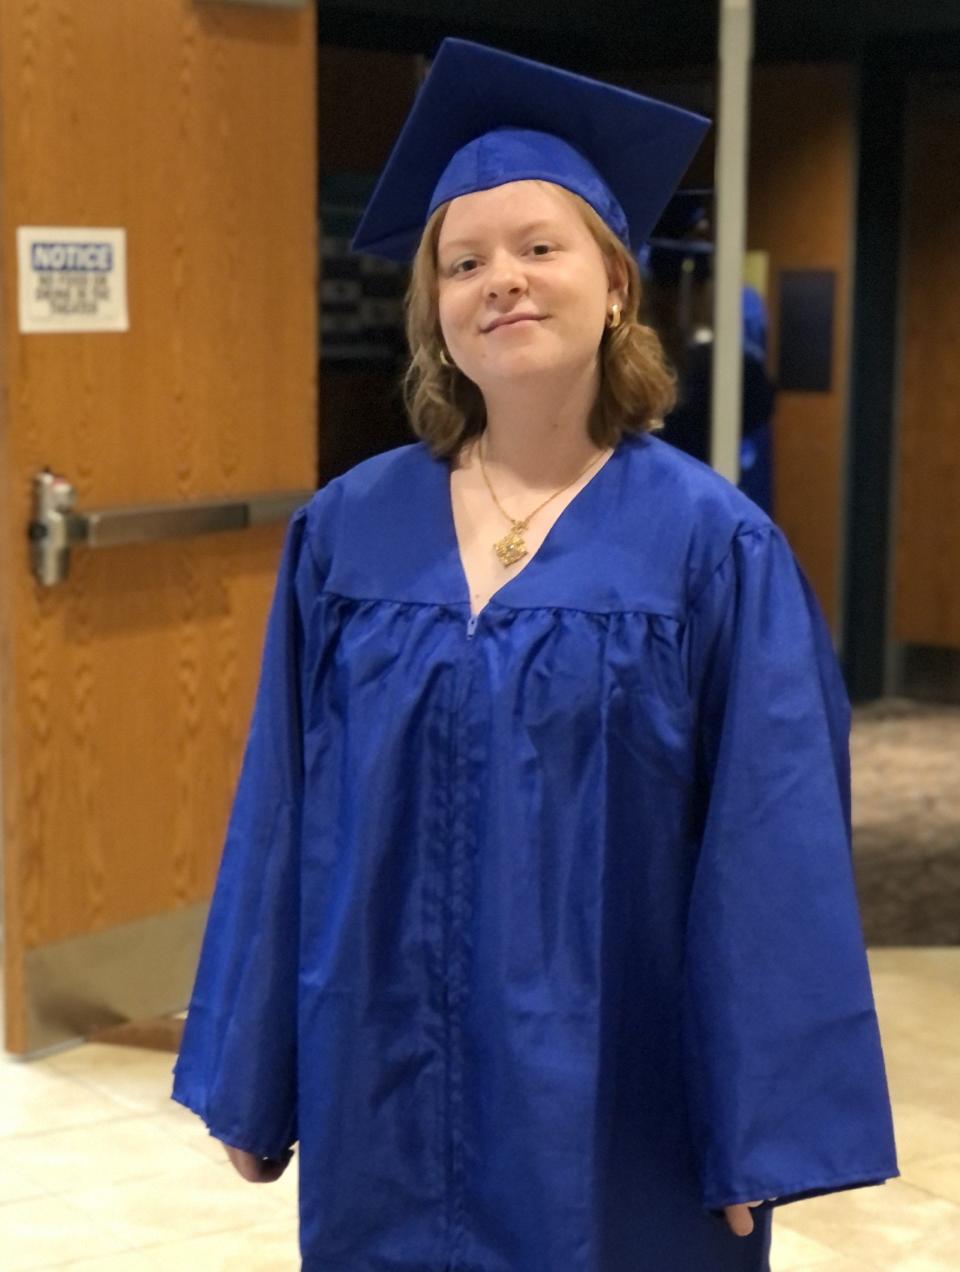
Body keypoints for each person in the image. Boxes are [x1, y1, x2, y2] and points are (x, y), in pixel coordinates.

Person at [171, 37, 899, 1272]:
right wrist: (253, 1071)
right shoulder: (347, 534)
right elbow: (280, 811)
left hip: (617, 1092)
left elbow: (771, 846)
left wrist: (756, 1128)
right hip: (382, 1078)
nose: (500, 281)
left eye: (538, 248)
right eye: (463, 262)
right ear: (436, 309)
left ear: (616, 284)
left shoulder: (710, 547)